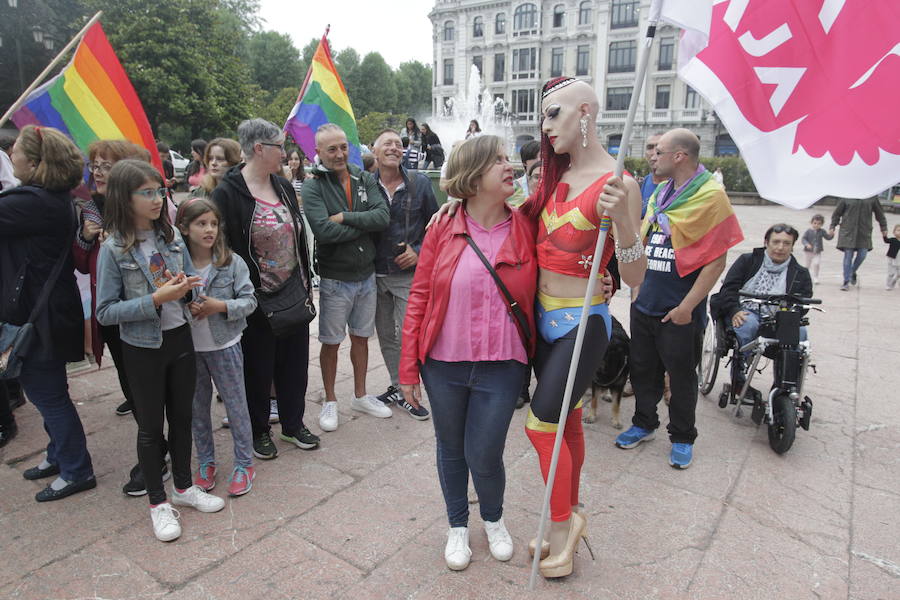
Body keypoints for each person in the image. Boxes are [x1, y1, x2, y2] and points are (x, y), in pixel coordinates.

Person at [399, 134, 538, 571]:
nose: (509, 165)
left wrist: (603, 282)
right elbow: (420, 296)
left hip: (502, 364)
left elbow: (569, 259)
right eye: (497, 161)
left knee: (485, 451)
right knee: (450, 448)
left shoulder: (527, 224)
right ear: (473, 178)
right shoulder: (443, 226)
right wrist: (408, 368)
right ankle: (457, 524)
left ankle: (493, 518)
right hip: (444, 363)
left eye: (507, 158)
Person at [96, 159, 225, 541]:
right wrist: (154, 298)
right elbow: (105, 312)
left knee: (183, 417)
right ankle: (158, 503)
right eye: (147, 193)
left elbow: (190, 289)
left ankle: (183, 489)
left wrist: (188, 290)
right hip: (143, 347)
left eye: (160, 191)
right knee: (151, 428)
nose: (157, 200)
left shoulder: (170, 238)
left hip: (180, 339)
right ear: (125, 196)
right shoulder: (114, 248)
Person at [615, 128, 743, 470]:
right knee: (643, 372)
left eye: (659, 151)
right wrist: (637, 289)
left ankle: (683, 437)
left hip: (679, 311)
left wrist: (687, 307)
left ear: (679, 157)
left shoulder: (711, 198)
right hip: (645, 303)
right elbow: (643, 237)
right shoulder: (660, 193)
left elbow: (717, 259)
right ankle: (644, 423)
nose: (651, 156)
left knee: (682, 378)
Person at [213, 119, 319, 459]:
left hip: (293, 291)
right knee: (258, 369)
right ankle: (259, 429)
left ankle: (292, 424)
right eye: (279, 146)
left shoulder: (283, 185)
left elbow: (297, 235)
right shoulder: (228, 193)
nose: (286, 153)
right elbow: (222, 248)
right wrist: (243, 294)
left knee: (295, 364)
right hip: (256, 298)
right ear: (259, 149)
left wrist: (305, 278)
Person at [1, 125, 96, 501]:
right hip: (48, 311)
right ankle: (59, 455)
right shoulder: (47, 198)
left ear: (36, 163)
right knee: (47, 391)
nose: (11, 157)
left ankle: (77, 470)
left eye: (16, 152)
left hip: (40, 317)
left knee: (48, 394)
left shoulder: (32, 202)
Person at [302, 123, 390, 432]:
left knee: (362, 338)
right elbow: (324, 231)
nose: (340, 154)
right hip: (335, 279)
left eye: (343, 147)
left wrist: (346, 218)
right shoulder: (313, 186)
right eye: (332, 149)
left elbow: (383, 216)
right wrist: (363, 224)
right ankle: (330, 400)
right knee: (330, 341)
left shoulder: (364, 177)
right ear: (319, 153)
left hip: (365, 275)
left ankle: (360, 395)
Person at [175, 197, 258, 496]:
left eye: (213, 223)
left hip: (225, 345)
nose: (209, 229)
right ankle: (206, 463)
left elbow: (249, 301)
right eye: (201, 224)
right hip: (190, 349)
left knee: (236, 406)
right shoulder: (176, 265)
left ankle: (244, 463)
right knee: (197, 409)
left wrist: (219, 306)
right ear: (184, 228)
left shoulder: (230, 263)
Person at [369, 129, 438, 420]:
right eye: (388, 143)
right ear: (374, 151)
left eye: (399, 144)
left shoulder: (420, 184)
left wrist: (419, 251)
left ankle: (414, 389)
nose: (395, 148)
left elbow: (436, 227)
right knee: (386, 334)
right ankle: (399, 387)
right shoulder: (364, 185)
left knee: (412, 335)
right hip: (372, 273)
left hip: (406, 274)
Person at [710, 224, 812, 390]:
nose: (780, 247)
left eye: (786, 243)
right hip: (747, 309)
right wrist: (734, 310)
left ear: (792, 246)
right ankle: (739, 371)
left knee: (800, 333)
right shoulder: (748, 261)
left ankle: (784, 383)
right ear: (766, 242)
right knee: (747, 324)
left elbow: (803, 301)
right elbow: (728, 289)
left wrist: (792, 314)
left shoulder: (800, 273)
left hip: (780, 315)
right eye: (776, 242)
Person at [829, 196, 888, 290]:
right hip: (848, 231)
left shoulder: (871, 197)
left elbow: (879, 214)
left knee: (862, 255)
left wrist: (883, 227)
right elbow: (837, 214)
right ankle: (846, 281)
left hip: (863, 232)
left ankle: (852, 271)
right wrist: (832, 226)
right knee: (848, 256)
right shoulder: (847, 195)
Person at [801, 214, 833, 284]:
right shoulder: (808, 231)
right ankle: (805, 277)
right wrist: (807, 244)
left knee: (816, 263)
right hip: (808, 252)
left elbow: (828, 238)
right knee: (807, 265)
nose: (816, 225)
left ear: (821, 224)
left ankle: (815, 277)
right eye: (815, 223)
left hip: (817, 251)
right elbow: (803, 239)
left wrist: (831, 234)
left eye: (819, 224)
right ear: (811, 223)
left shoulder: (822, 231)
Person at [509, 140, 541, 208]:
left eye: (543, 156)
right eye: (534, 157)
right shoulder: (513, 187)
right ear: (524, 162)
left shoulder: (553, 185)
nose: (539, 160)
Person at [639, 133, 665, 217]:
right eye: (650, 147)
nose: (654, 152)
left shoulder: (681, 186)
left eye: (659, 147)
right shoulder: (640, 185)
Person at [884, 224, 900, 290]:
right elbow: (886, 241)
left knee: (898, 273)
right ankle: (888, 285)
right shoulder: (893, 240)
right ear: (894, 232)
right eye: (898, 230)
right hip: (891, 258)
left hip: (898, 260)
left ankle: (894, 282)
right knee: (891, 273)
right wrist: (884, 235)